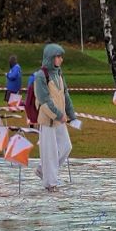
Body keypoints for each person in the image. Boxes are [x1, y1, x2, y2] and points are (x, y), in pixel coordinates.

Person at [31, 43, 75, 192]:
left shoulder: (59, 74)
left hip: (60, 120)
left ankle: (43, 170)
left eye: (61, 56)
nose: (61, 59)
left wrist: (71, 114)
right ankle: (50, 183)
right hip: (48, 120)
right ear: (51, 57)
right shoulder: (40, 76)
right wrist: (58, 115)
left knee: (66, 147)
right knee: (49, 152)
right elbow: (44, 100)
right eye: (58, 56)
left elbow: (65, 95)